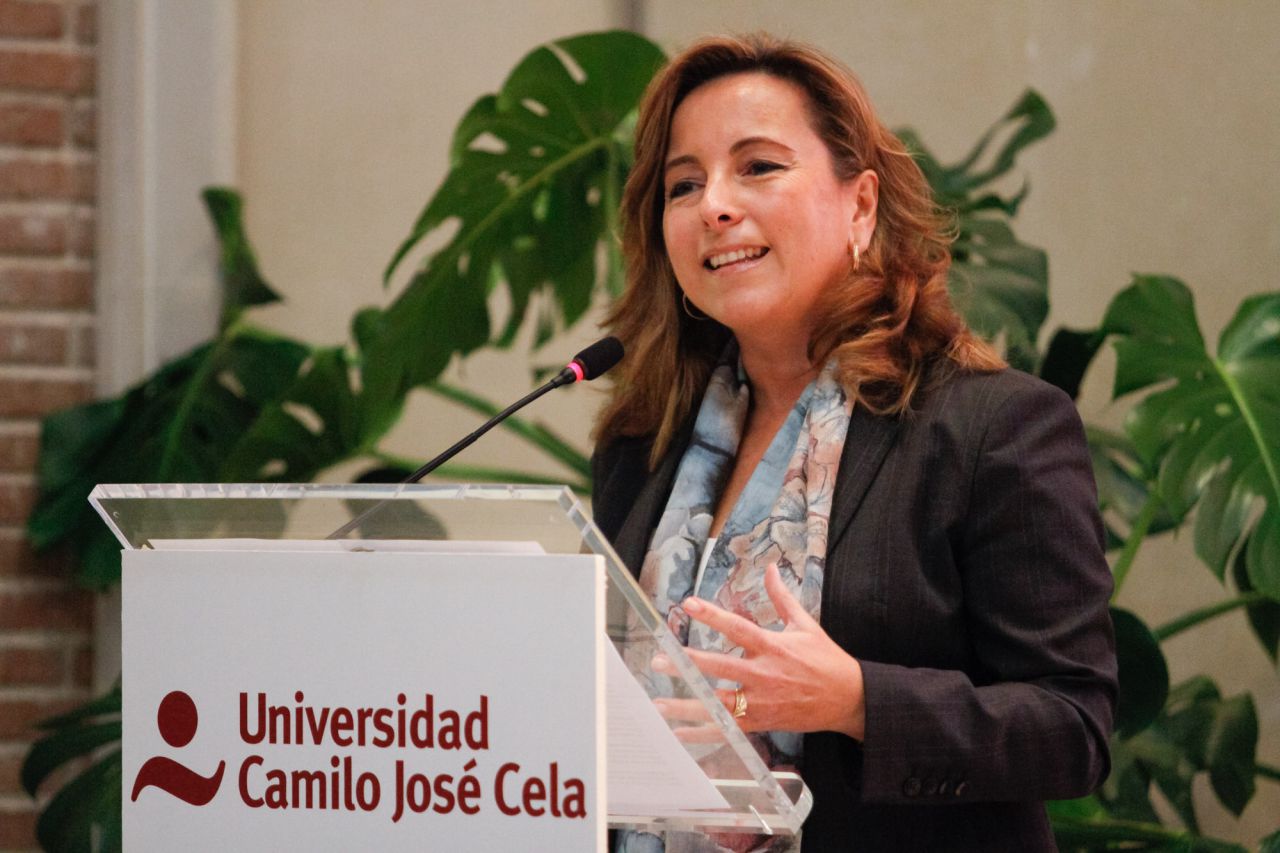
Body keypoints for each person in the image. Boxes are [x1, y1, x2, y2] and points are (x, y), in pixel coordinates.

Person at [590, 33, 1117, 853]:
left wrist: (857, 700)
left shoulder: (989, 429)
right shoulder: (643, 448)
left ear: (861, 206)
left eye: (758, 167)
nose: (714, 205)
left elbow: (1074, 727)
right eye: (683, 184)